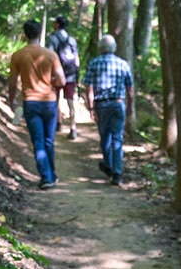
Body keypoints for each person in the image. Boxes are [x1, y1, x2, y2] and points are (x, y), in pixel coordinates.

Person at [7, 19, 66, 189]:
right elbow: (61, 80)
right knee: (49, 141)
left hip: (30, 102)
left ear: (25, 35)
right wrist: (51, 82)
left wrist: (11, 100)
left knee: (38, 141)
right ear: (40, 33)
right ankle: (51, 175)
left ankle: (47, 176)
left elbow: (12, 82)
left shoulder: (18, 55)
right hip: (49, 102)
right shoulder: (50, 55)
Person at [80, 34, 134, 186]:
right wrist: (130, 107)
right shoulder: (123, 64)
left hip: (101, 105)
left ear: (100, 48)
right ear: (114, 48)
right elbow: (130, 89)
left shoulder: (94, 63)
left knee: (105, 137)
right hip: (118, 104)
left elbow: (89, 87)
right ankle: (116, 172)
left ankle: (109, 166)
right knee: (117, 138)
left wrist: (90, 107)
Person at [47, 16, 81, 139]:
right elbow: (76, 60)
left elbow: (50, 57)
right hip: (71, 75)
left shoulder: (52, 38)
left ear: (57, 25)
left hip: (57, 74)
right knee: (71, 102)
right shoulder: (71, 39)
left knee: (55, 99)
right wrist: (76, 74)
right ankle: (73, 128)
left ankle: (58, 123)